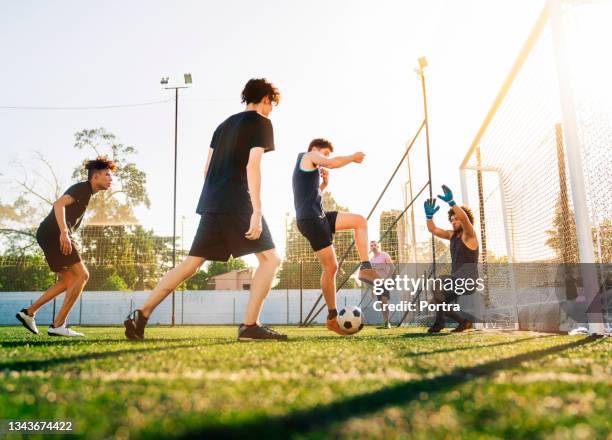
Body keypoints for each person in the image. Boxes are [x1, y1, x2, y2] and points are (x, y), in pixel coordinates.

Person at [124, 78, 287, 342]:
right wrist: (256, 210)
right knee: (270, 260)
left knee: (192, 264)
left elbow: (206, 169)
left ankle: (141, 314)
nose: (271, 110)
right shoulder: (261, 122)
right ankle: (250, 326)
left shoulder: (222, 126)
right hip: (237, 200)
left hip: (212, 200)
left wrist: (217, 197)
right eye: (272, 104)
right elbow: (252, 165)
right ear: (266, 98)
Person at [16, 157, 115, 337]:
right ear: (96, 176)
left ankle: (28, 313)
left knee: (69, 281)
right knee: (83, 275)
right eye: (107, 175)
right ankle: (58, 325)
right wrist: (64, 233)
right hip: (54, 234)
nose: (111, 179)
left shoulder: (87, 193)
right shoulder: (83, 188)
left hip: (47, 234)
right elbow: (58, 204)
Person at [292, 138, 380, 336]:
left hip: (319, 216)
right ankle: (332, 317)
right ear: (314, 149)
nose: (325, 159)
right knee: (330, 267)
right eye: (324, 153)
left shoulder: (309, 169)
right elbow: (332, 163)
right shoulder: (307, 156)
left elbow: (308, 196)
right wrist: (352, 158)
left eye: (327, 156)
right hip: (311, 219)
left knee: (360, 221)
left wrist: (323, 185)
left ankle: (366, 268)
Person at [424, 184, 478, 333]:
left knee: (438, 283)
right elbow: (433, 229)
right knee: (435, 302)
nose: (454, 221)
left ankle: (441, 323)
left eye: (456, 219)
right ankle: (460, 322)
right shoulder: (451, 235)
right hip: (456, 280)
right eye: (451, 219)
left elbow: (465, 219)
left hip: (468, 280)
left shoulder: (469, 234)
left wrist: (452, 203)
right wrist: (429, 217)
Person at [369, 240, 395, 329]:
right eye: (372, 245)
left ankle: (387, 323)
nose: (373, 246)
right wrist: (373, 287)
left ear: (378, 246)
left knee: (384, 300)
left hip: (386, 281)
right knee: (381, 303)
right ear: (370, 248)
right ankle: (385, 322)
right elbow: (373, 275)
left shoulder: (384, 255)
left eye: (375, 245)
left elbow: (392, 267)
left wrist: (387, 278)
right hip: (378, 283)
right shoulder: (371, 260)